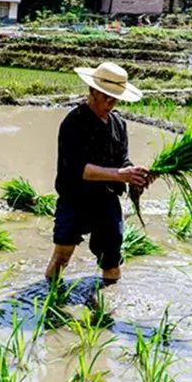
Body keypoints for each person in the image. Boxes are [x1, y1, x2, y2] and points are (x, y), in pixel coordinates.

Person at [45, 61, 153, 287]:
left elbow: (122, 160)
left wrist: (136, 174)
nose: (111, 103)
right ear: (92, 91)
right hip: (75, 199)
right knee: (62, 256)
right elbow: (80, 169)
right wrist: (120, 174)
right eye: (106, 96)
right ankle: (50, 300)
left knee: (111, 260)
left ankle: (109, 304)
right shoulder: (74, 123)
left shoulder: (118, 124)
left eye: (115, 98)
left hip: (106, 202)